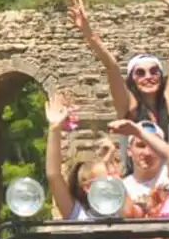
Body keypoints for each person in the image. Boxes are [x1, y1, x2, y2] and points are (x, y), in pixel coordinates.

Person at [68, 0, 169, 142]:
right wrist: (89, 34)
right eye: (140, 73)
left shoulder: (167, 105)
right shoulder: (128, 107)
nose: (148, 77)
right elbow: (111, 67)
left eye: (154, 71)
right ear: (132, 79)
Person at [43, 92, 129, 220]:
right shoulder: (77, 213)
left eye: (114, 177)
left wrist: (110, 161)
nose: (112, 182)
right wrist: (54, 129)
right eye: (106, 179)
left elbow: (129, 211)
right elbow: (53, 175)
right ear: (88, 187)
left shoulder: (123, 212)